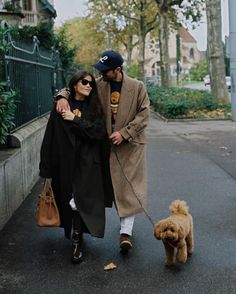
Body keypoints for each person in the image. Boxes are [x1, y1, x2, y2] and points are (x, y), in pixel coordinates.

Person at [56, 50, 150, 253]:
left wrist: (125, 133)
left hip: (131, 146)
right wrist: (61, 97)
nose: (101, 74)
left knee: (128, 188)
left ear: (117, 70)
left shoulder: (137, 87)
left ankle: (126, 233)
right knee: (101, 187)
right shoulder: (99, 84)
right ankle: (85, 227)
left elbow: (144, 114)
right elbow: (75, 86)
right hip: (104, 145)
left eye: (105, 70)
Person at [39, 70, 113, 264]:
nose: (89, 85)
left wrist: (76, 119)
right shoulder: (61, 106)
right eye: (84, 82)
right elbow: (50, 137)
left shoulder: (95, 107)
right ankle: (76, 237)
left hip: (88, 165)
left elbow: (98, 134)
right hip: (64, 163)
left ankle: (77, 243)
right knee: (70, 199)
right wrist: (45, 168)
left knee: (78, 202)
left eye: (90, 83)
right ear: (74, 85)